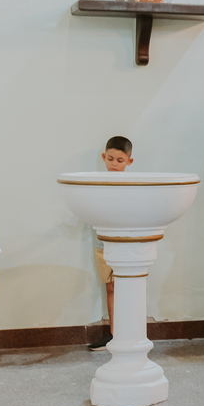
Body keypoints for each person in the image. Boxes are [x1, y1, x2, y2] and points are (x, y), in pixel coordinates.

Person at [88, 136, 134, 351]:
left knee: (130, 285)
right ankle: (114, 334)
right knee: (111, 287)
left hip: (126, 242)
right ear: (104, 157)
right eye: (111, 159)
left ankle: (130, 333)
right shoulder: (97, 184)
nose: (115, 164)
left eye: (120, 160)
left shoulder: (133, 186)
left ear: (129, 162)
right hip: (103, 243)